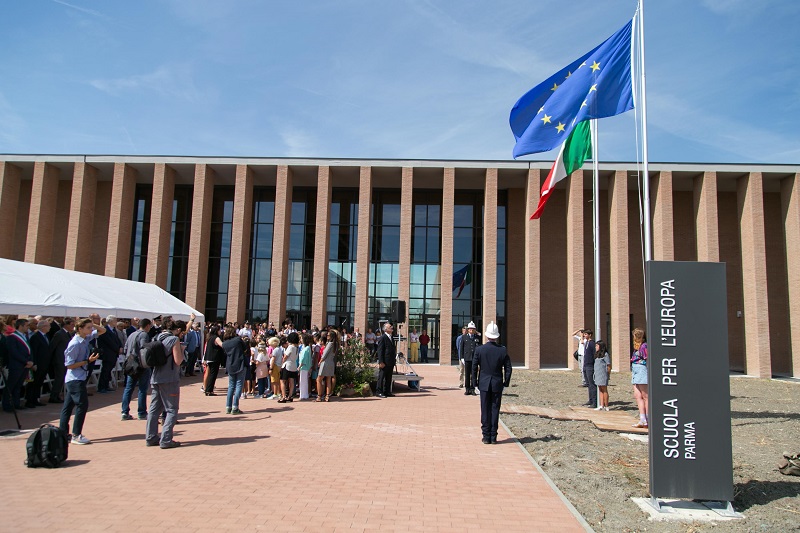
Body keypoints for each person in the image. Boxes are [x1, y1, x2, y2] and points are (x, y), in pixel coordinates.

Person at [145, 316, 192, 448]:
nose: (182, 335)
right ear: (177, 330)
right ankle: (166, 439)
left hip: (156, 377)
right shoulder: (174, 340)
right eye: (182, 333)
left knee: (154, 410)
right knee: (172, 410)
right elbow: (178, 361)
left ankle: (151, 437)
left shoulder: (158, 337)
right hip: (169, 378)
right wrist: (182, 350)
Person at [60, 318, 104, 445]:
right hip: (75, 379)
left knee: (68, 407)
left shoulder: (85, 338)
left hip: (80, 377)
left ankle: (63, 433)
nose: (91, 330)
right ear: (80, 329)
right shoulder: (75, 343)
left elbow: (103, 330)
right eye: (88, 328)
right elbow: (69, 365)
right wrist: (87, 361)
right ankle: (76, 434)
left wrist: (91, 322)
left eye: (91, 327)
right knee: (82, 405)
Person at [471, 321, 512, 444]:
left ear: (486, 335)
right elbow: (509, 368)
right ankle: (493, 436)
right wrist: (506, 382)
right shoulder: (502, 350)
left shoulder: (480, 350)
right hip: (497, 383)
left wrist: (475, 383)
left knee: (485, 409)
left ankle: (485, 436)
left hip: (483, 383)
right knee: (495, 409)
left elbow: (473, 367)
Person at [120, 318, 152, 420]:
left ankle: (124, 412)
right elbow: (144, 348)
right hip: (140, 365)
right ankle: (142, 412)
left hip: (130, 364)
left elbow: (125, 349)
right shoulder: (144, 335)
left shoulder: (132, 334)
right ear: (147, 326)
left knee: (129, 388)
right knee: (142, 389)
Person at [2, 319, 34, 412]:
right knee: (11, 385)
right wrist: (25, 361)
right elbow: (13, 352)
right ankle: (6, 405)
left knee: (18, 385)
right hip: (16, 365)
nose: (28, 328)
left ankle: (16, 403)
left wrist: (31, 361)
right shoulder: (12, 337)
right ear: (21, 326)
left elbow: (29, 349)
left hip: (25, 365)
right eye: (26, 326)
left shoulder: (25, 336)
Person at [221, 326, 248, 414]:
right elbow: (245, 348)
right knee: (239, 385)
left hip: (230, 364)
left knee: (231, 386)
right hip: (239, 363)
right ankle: (235, 407)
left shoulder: (225, 343)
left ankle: (228, 406)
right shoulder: (237, 340)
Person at [25, 319, 51, 407]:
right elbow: (34, 351)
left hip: (44, 364)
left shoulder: (45, 336)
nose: (49, 328)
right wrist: (34, 363)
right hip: (38, 364)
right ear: (43, 327)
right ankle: (29, 400)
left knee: (39, 383)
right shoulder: (36, 337)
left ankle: (36, 399)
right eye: (48, 326)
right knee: (33, 383)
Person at [48, 317, 73, 404]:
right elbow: (52, 347)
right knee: (59, 378)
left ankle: (57, 395)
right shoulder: (59, 334)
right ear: (66, 325)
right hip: (59, 360)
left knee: (62, 378)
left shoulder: (68, 334)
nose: (73, 327)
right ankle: (54, 396)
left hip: (65, 359)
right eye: (72, 325)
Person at [96, 315, 123, 393]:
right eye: (115, 320)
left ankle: (106, 385)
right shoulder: (105, 330)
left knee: (109, 371)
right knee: (105, 370)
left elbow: (117, 340)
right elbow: (109, 342)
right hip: (107, 354)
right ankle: (101, 387)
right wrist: (117, 349)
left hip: (113, 354)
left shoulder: (114, 330)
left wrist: (120, 346)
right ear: (110, 321)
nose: (116, 322)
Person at [631, 327, 649, 428]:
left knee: (645, 396)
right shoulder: (636, 347)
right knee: (637, 395)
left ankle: (647, 418)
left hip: (641, 369)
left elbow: (647, 358)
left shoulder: (644, 346)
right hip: (635, 369)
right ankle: (642, 419)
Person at [375, 323, 396, 398]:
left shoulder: (391, 337)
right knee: (382, 376)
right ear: (386, 329)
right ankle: (379, 391)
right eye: (390, 327)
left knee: (389, 377)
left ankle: (387, 391)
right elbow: (380, 350)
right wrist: (381, 361)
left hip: (391, 361)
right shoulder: (382, 338)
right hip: (384, 361)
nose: (392, 328)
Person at [459, 321, 480, 396]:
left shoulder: (477, 337)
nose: (471, 330)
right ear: (468, 330)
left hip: (474, 358)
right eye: (470, 329)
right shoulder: (464, 337)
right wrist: (462, 357)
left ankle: (472, 389)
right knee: (467, 374)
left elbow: (479, 347)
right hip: (467, 358)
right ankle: (467, 389)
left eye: (473, 329)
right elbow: (461, 348)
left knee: (473, 375)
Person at [316, 331, 337, 402]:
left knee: (319, 379)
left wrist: (320, 361)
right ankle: (327, 396)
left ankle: (319, 396)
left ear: (331, 336)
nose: (327, 336)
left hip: (325, 363)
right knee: (328, 380)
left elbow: (324, 354)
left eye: (328, 335)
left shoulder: (330, 344)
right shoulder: (335, 344)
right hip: (331, 363)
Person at [278, 332, 299, 403]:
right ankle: (290, 396)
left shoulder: (290, 347)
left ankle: (284, 396)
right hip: (293, 365)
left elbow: (285, 356)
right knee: (292, 381)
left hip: (287, 365)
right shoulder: (297, 347)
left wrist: (282, 364)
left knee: (282, 381)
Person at [203, 325, 224, 395]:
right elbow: (222, 345)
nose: (220, 331)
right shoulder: (216, 338)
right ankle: (209, 390)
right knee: (213, 375)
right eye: (219, 330)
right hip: (214, 358)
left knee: (210, 374)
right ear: (216, 331)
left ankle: (207, 389)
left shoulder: (210, 338)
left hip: (209, 358)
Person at [594, 340, 611, 411]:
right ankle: (601, 405)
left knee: (604, 389)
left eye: (597, 346)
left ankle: (606, 405)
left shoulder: (605, 354)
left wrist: (608, 374)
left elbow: (608, 365)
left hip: (603, 374)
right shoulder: (597, 354)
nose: (596, 347)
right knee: (600, 389)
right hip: (597, 373)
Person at [582, 329, 597, 408]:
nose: (584, 336)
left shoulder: (592, 343)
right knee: (588, 383)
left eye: (586, 334)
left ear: (590, 335)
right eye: (584, 334)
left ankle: (595, 402)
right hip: (586, 364)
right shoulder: (586, 343)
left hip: (590, 365)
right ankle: (590, 399)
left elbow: (594, 354)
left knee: (592, 384)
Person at [297, 333, 312, 400]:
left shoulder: (306, 348)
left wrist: (299, 366)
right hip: (306, 367)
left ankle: (303, 395)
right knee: (304, 381)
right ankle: (304, 394)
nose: (301, 340)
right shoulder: (307, 348)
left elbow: (303, 358)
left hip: (304, 367)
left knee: (302, 381)